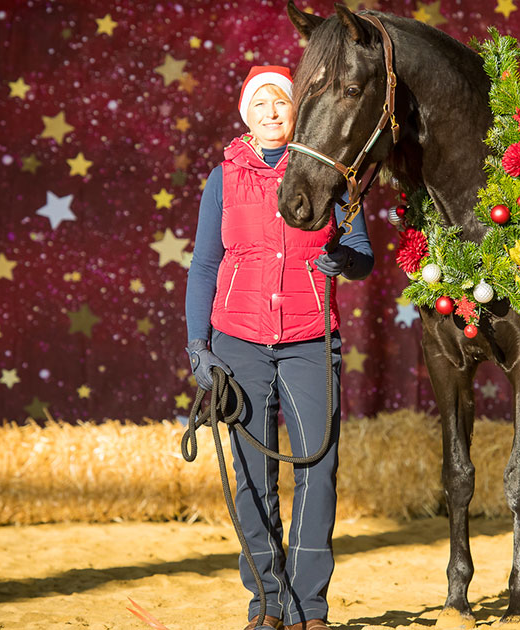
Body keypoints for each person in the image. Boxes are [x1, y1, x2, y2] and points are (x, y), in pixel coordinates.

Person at [184, 65, 374, 630]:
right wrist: (200, 346)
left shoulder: (330, 176)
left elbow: (361, 252)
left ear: (298, 113)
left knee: (318, 470)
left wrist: (342, 259)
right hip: (238, 344)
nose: (271, 113)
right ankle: (266, 604)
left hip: (309, 344)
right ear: (246, 113)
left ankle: (308, 608)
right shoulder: (222, 179)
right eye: (260, 104)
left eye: (281, 103)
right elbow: (203, 266)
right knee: (251, 477)